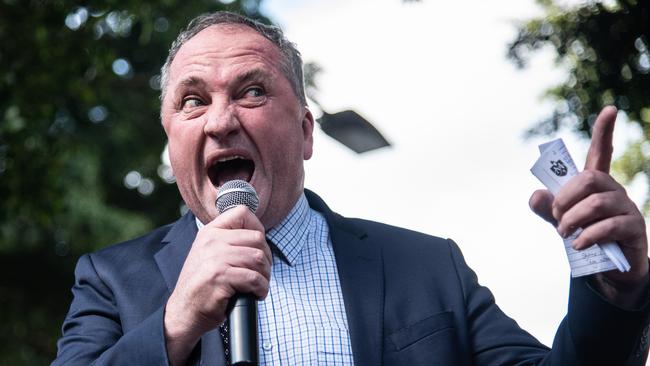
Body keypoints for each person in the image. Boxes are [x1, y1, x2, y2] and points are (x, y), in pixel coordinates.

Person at [53, 11, 650, 366]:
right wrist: (174, 324)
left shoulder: (426, 267)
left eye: (252, 92)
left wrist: (614, 288)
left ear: (307, 132)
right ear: (170, 140)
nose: (220, 120)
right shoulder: (110, 280)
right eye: (192, 101)